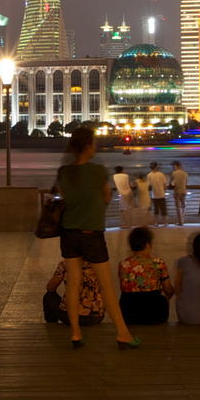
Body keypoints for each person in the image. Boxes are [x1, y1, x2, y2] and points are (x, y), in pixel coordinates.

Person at [53, 123, 137, 347]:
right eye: (94, 144)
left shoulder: (64, 172)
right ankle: (122, 333)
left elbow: (64, 198)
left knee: (73, 284)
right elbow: (107, 198)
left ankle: (75, 333)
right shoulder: (98, 171)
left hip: (68, 234)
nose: (95, 148)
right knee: (106, 285)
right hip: (92, 234)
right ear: (88, 146)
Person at [116, 227, 175, 326]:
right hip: (155, 315)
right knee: (163, 294)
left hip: (129, 315)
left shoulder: (123, 264)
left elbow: (124, 288)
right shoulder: (158, 263)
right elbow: (168, 290)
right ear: (147, 245)